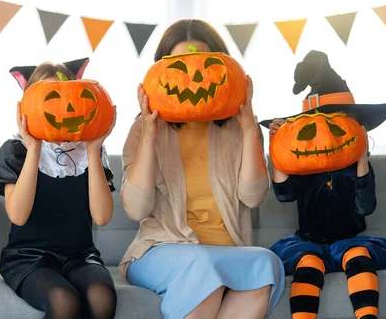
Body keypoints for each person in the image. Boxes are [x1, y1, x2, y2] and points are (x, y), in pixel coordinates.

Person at [119, 19, 285, 319]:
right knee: (202, 268)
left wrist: (249, 130)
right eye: (180, 66)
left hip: (227, 253)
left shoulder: (239, 128)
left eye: (202, 65)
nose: (193, 77)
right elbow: (136, 208)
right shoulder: (142, 130)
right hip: (160, 249)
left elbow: (253, 197)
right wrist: (150, 134)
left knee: (265, 263)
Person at [264, 50, 386, 319]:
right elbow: (284, 194)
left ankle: (367, 317)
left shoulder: (356, 167)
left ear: (355, 127)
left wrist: (361, 154)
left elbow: (365, 206)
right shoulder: (304, 166)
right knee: (308, 264)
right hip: (307, 242)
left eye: (338, 124)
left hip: (348, 240)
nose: (325, 134)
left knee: (359, 257)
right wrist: (277, 149)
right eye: (315, 125)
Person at [0, 58, 118, 319]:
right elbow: (18, 215)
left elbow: (102, 217)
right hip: (29, 257)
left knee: (102, 296)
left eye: (68, 99)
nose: (64, 109)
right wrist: (35, 147)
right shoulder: (14, 151)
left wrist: (94, 148)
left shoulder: (90, 153)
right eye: (51, 100)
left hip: (79, 256)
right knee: (64, 301)